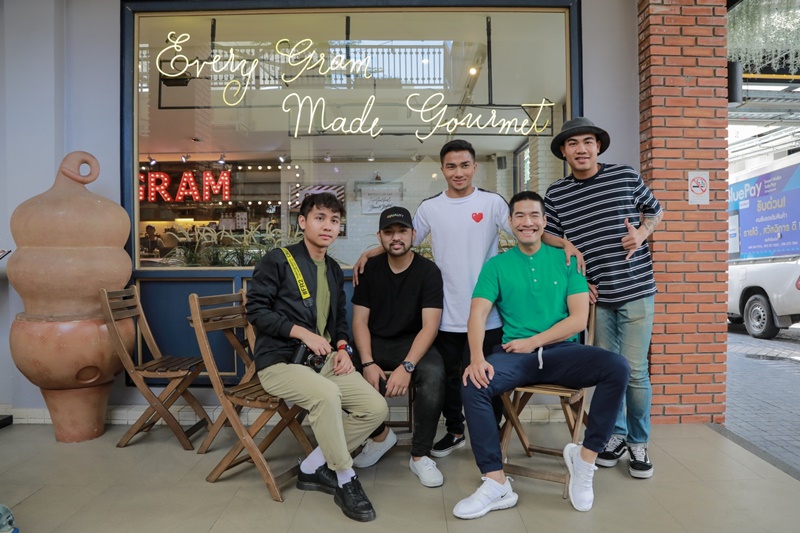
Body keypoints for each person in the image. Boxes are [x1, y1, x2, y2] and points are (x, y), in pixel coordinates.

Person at [455, 191, 629, 518]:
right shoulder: (497, 266)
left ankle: (585, 460)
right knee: (472, 383)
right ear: (510, 222)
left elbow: (578, 319)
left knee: (617, 367)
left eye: (534, 215)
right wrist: (476, 357)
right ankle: (495, 482)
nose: (527, 222)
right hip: (515, 356)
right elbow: (477, 314)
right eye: (520, 216)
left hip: (562, 353)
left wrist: (534, 341)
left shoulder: (567, 261)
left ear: (545, 221)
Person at [354, 139, 511, 458]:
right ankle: (455, 431)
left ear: (474, 167)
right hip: (447, 313)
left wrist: (563, 246)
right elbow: (403, 238)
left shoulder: (493, 203)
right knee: (450, 379)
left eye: (464, 165)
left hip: (487, 313)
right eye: (451, 166)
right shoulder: (430, 208)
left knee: (487, 378)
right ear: (442, 169)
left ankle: (493, 436)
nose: (458, 172)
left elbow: (525, 232)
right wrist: (370, 253)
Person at [246, 192, 387, 522]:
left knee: (375, 407)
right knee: (327, 396)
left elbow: (340, 317)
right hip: (280, 362)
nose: (328, 226)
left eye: (334, 220)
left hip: (322, 362)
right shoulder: (277, 260)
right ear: (303, 222)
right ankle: (345, 478)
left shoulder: (334, 269)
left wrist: (343, 348)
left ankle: (312, 466)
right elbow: (256, 311)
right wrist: (302, 332)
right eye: (320, 218)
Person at [544, 117, 663, 479]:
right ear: (563, 152)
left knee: (635, 370)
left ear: (597, 146)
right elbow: (548, 236)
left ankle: (639, 441)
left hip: (636, 288)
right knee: (610, 371)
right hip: (595, 297)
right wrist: (575, 269)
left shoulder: (624, 176)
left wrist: (641, 233)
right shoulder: (557, 193)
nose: (581, 149)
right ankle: (616, 435)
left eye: (587, 142)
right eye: (573, 144)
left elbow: (655, 210)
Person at [350, 206, 447, 487]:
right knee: (339, 372)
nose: (396, 237)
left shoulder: (428, 272)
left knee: (434, 375)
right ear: (379, 236)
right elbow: (359, 322)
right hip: (375, 341)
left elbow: (430, 327)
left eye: (402, 231)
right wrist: (367, 363)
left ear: (413, 234)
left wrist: (407, 366)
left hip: (414, 342)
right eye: (389, 232)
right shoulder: (369, 270)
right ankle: (380, 437)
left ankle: (420, 455)